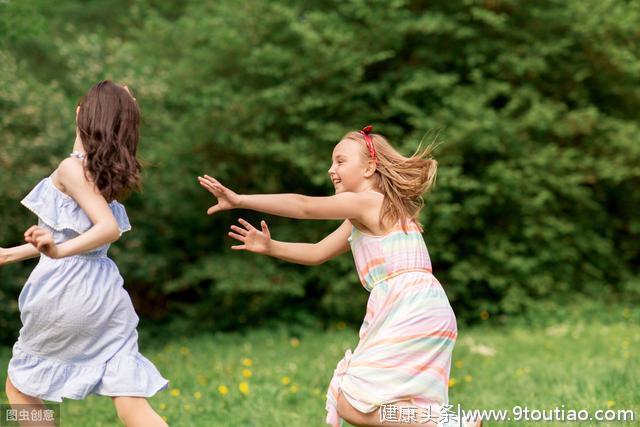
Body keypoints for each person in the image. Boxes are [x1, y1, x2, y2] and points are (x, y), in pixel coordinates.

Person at [198, 125, 480, 426]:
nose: (331, 170)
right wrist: (271, 246)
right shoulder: (365, 213)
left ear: (370, 167)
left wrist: (241, 200)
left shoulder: (368, 201)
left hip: (410, 306)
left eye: (341, 161)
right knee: (386, 403)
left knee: (353, 404)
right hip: (420, 306)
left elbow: (304, 206)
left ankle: (450, 424)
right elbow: (318, 252)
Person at [0, 81, 168, 427]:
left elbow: (106, 230)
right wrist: (10, 255)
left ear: (82, 113)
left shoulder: (71, 168)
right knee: (131, 399)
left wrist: (57, 251)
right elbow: (72, 237)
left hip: (64, 292)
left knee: (19, 390)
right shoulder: (103, 174)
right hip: (106, 295)